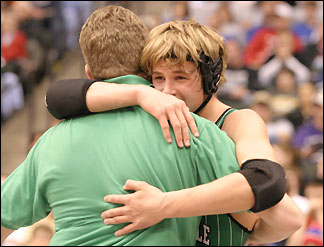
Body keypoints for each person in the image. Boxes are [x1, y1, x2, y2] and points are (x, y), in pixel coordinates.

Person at [1, 5, 269, 246]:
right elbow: (279, 214)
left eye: (180, 77)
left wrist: (164, 205)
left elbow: (4, 216)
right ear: (147, 69)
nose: (169, 91)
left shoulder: (50, 142)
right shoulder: (193, 130)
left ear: (89, 74)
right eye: (161, 78)